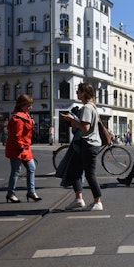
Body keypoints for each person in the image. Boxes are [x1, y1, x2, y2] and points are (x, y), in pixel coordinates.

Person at [60, 83, 104, 211]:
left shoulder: (87, 108)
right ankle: (78, 199)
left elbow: (85, 128)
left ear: (84, 93)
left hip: (89, 144)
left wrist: (71, 120)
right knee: (74, 171)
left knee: (90, 174)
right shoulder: (92, 107)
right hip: (88, 143)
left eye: (78, 91)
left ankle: (97, 201)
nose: (77, 93)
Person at [5, 94, 41, 203]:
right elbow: (17, 136)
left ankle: (31, 192)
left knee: (31, 168)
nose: (30, 107)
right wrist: (20, 146)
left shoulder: (25, 115)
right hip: (18, 148)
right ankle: (11, 194)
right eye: (28, 105)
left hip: (25, 147)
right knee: (16, 171)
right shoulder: (18, 119)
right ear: (22, 105)